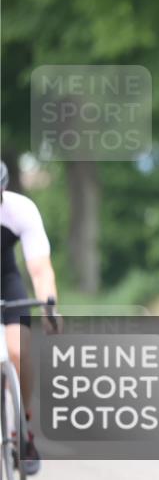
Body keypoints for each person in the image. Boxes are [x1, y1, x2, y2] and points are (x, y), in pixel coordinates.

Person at [0, 160, 59, 476]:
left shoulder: (20, 210)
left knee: (19, 350)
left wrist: (49, 308)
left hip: (6, 279)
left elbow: (39, 268)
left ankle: (24, 429)